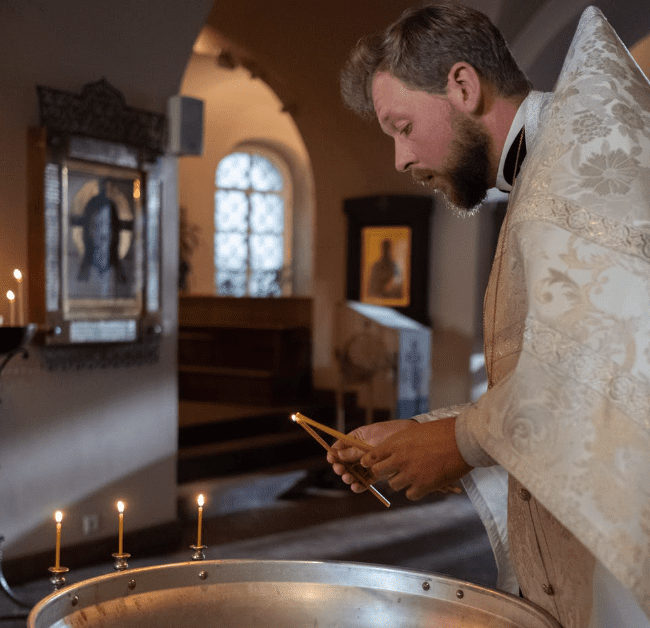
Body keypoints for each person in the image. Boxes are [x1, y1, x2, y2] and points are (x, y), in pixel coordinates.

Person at [327, 3, 650, 627]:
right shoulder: (545, 167)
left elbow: (603, 376)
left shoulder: (579, 167)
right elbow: (558, 375)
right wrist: (413, 436)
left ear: (463, 86)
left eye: (401, 126)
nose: (399, 158)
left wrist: (454, 441)